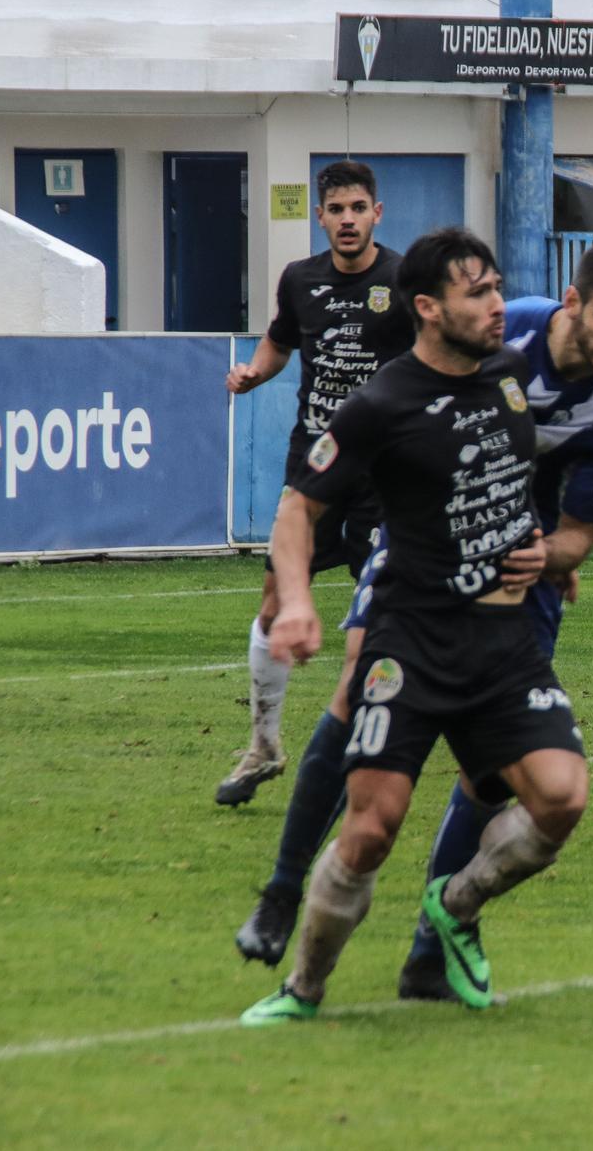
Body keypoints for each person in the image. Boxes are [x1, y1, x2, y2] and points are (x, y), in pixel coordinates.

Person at [233, 241, 593, 1004]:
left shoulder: (545, 386)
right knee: (357, 714)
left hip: (506, 618)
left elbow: (565, 516)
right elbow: (304, 501)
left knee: (510, 787)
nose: (497, 304)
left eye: (497, 289)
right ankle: (286, 900)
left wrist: (550, 554)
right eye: (478, 292)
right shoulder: (455, 371)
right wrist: (298, 601)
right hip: (414, 598)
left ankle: (443, 924)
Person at [217, 160, 410, 807]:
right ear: (321, 216)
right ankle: (263, 744)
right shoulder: (299, 280)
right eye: (337, 209)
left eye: (360, 207)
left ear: (376, 213)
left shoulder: (403, 279)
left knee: (384, 612)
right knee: (274, 600)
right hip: (316, 467)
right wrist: (253, 374)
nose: (349, 219)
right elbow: (279, 343)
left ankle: (378, 739)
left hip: (386, 469)